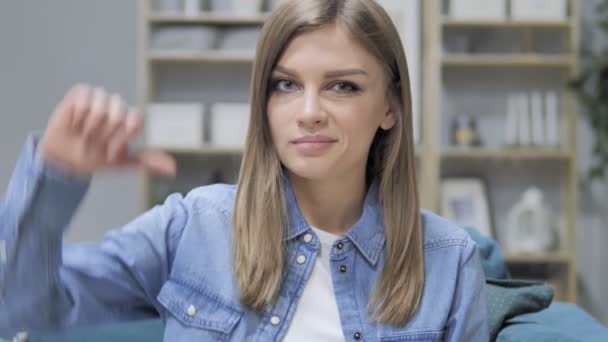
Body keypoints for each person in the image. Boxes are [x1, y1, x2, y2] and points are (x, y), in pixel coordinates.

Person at [0, 0, 489, 341]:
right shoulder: (193, 225)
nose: (309, 111)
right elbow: (20, 309)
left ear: (391, 107)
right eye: (285, 85)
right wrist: (55, 178)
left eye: (342, 87)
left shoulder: (449, 260)